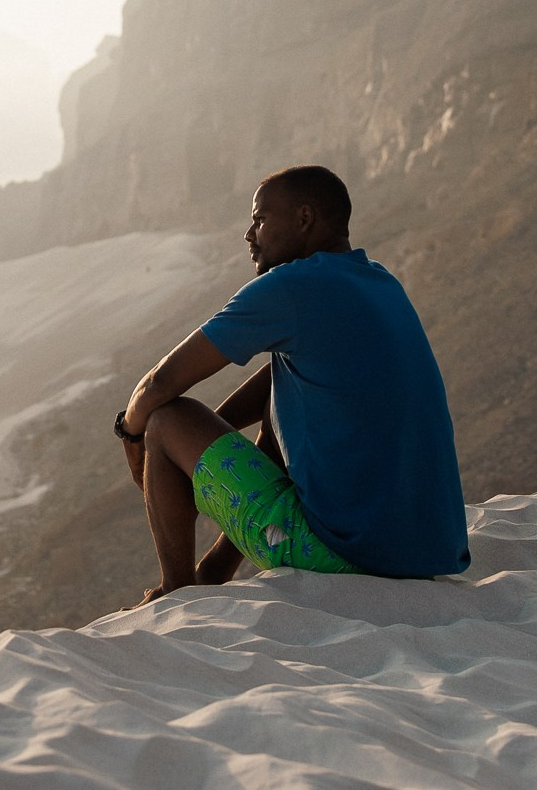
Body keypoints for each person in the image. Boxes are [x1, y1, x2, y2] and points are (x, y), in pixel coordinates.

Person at [115, 164, 469, 600]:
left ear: (304, 219)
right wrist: (203, 446)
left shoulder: (289, 287)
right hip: (423, 555)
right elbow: (282, 380)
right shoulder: (379, 281)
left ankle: (177, 589)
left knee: (165, 419)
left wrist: (134, 436)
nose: (249, 235)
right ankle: (213, 570)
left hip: (345, 557)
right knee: (282, 392)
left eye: (260, 220)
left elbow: (159, 384)